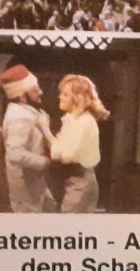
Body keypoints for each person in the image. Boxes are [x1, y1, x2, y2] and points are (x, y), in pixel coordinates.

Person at [42, 74, 108, 213]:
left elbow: (66, 155)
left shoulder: (84, 122)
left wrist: (45, 130)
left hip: (80, 181)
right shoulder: (72, 120)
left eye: (65, 95)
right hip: (72, 179)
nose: (60, 97)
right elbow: (59, 148)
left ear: (78, 99)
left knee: (70, 222)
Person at [0, 61, 54, 213]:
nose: (40, 92)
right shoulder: (20, 117)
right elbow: (14, 154)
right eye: (35, 90)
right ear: (21, 96)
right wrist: (45, 162)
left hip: (35, 183)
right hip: (26, 189)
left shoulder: (28, 112)